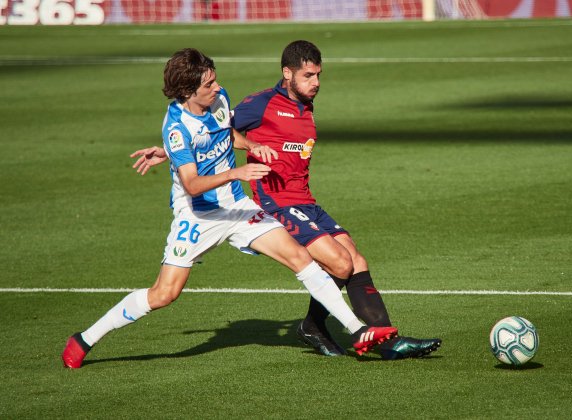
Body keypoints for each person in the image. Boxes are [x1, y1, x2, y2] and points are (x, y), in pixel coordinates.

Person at [61, 48, 397, 369]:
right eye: (209, 84)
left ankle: (356, 329)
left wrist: (252, 144)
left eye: (215, 80)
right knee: (164, 294)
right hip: (198, 215)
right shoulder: (177, 129)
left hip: (237, 207)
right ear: (188, 90)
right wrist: (233, 171)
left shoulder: (219, 101)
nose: (218, 87)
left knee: (300, 257)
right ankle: (85, 339)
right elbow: (191, 184)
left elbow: (228, 134)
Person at [130, 41, 441, 360]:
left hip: (306, 201)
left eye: (319, 75)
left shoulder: (306, 105)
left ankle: (343, 331)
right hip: (275, 204)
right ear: (287, 73)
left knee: (356, 261)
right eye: (308, 76)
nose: (316, 82)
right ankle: (381, 344)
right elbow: (214, 130)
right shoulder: (261, 104)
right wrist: (167, 151)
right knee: (339, 262)